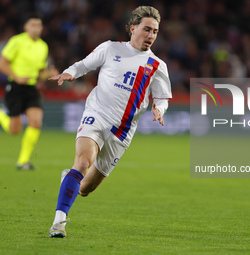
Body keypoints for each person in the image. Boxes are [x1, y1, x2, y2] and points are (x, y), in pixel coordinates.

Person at [48, 6, 172, 238]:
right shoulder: (110, 48)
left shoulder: (157, 66)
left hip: (122, 133)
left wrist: (159, 108)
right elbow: (84, 65)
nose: (151, 36)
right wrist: (69, 73)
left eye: (155, 31)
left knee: (85, 189)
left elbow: (163, 97)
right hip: (97, 114)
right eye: (147, 29)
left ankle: (70, 181)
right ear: (133, 28)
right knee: (83, 162)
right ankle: (59, 222)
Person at [0, 13, 58, 170]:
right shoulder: (16, 41)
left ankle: (23, 161)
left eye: (39, 25)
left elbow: (40, 72)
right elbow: (2, 63)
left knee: (36, 122)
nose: (36, 28)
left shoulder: (43, 46)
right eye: (33, 25)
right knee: (14, 131)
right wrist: (17, 77)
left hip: (31, 88)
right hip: (15, 87)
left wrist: (49, 74)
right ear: (26, 27)